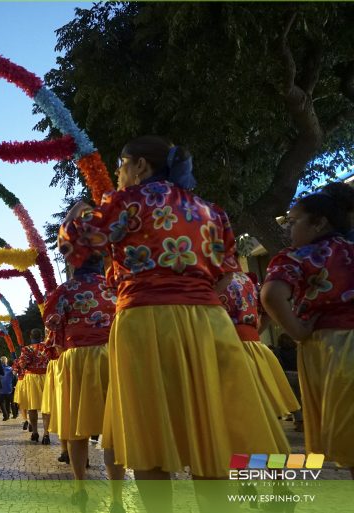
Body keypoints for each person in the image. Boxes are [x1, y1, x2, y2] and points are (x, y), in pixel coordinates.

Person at [60, 135, 289, 512]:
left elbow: (74, 245)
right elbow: (224, 276)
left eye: (121, 165)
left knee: (149, 432)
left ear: (140, 167)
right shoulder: (211, 210)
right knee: (209, 425)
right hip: (207, 322)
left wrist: (78, 213)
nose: (118, 174)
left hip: (145, 322)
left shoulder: (125, 203)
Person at [261, 182, 354, 478]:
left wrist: (297, 330)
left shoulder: (299, 257)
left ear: (319, 222)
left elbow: (272, 295)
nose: (290, 229)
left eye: (294, 221)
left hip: (334, 349)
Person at [44, 253, 125, 512]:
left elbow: (52, 324)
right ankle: (116, 498)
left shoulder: (64, 291)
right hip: (111, 355)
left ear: (73, 266)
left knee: (75, 427)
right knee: (113, 429)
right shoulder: (114, 286)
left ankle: (80, 487)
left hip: (77, 358)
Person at [218, 272, 300, 417]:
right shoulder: (247, 279)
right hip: (254, 348)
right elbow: (267, 310)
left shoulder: (214, 277)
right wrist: (255, 331)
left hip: (225, 349)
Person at [16, 329, 49, 442]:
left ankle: (35, 432)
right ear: (41, 336)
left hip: (32, 378)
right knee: (46, 407)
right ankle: (46, 434)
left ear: (31, 337)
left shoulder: (26, 349)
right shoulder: (47, 347)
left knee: (32, 407)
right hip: (46, 377)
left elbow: (22, 364)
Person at [0, 356, 15, 421]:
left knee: (2, 402)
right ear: (6, 361)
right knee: (9, 402)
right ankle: (10, 414)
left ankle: (5, 415)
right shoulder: (11, 369)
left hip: (1, 388)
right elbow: (14, 377)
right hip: (9, 388)